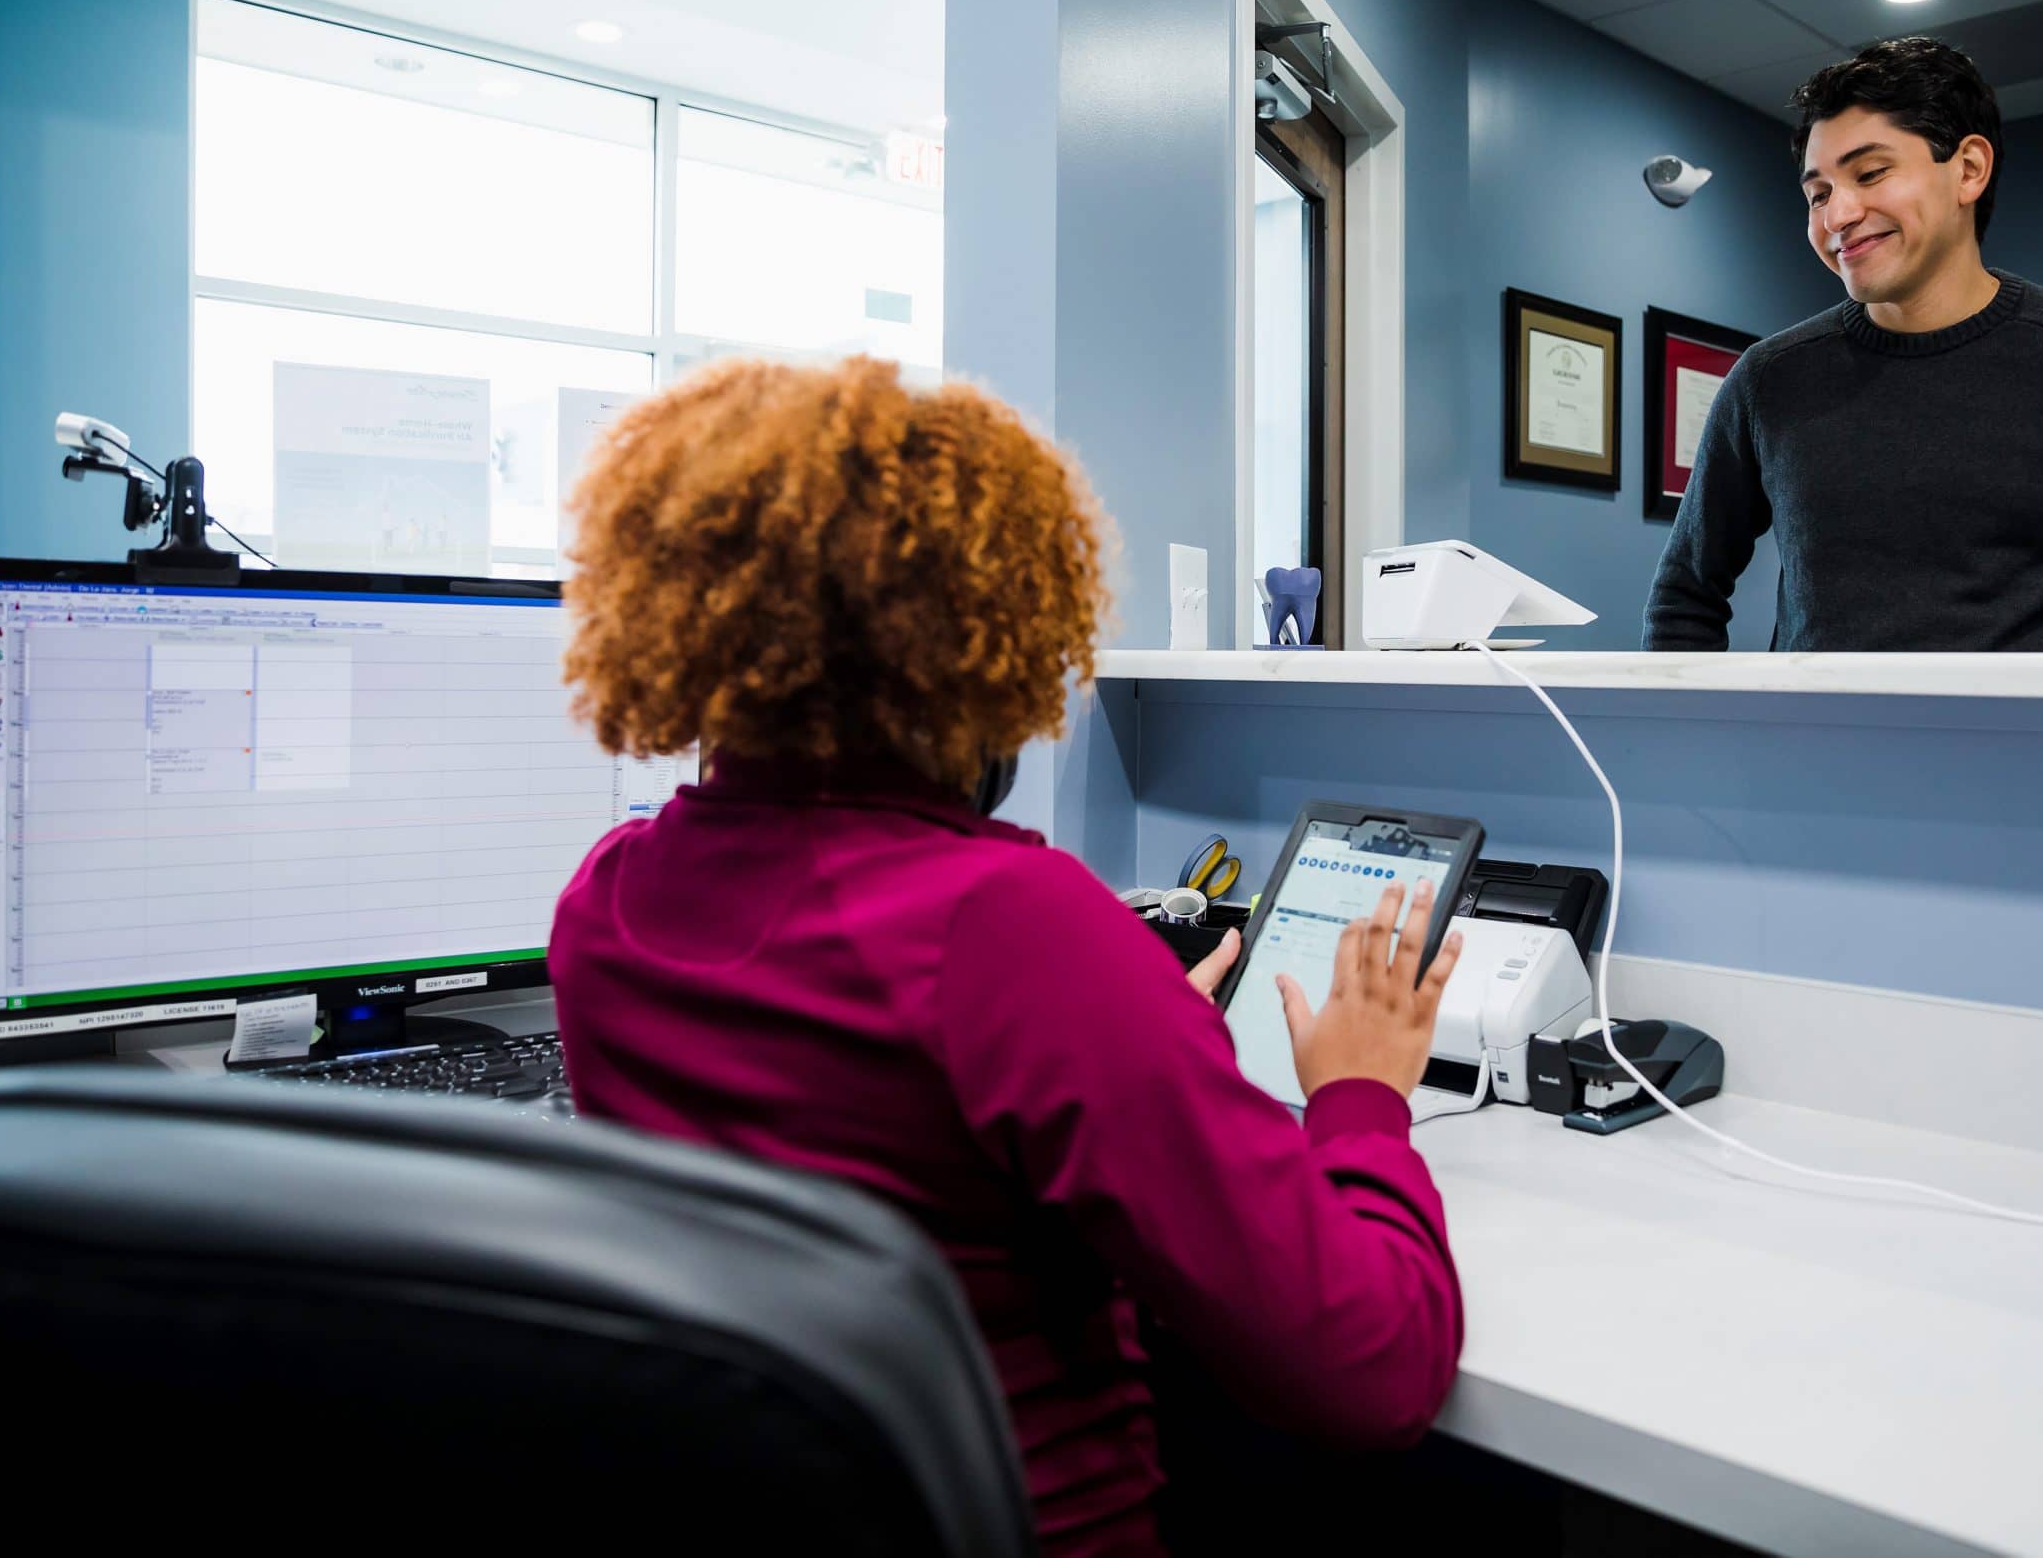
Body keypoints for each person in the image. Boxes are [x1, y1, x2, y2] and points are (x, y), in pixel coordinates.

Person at [550, 356, 1467, 1555]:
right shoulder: (1008, 927)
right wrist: (1359, 1096)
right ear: (991, 630)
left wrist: (1130, 1033)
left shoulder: (606, 904)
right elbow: (1373, 1370)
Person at [1644, 37, 2043, 653]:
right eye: (1818, 194)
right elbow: (1683, 601)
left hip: (2037, 763)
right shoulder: (1768, 381)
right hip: (1812, 761)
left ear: (1970, 169)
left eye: (1870, 173)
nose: (1836, 215)